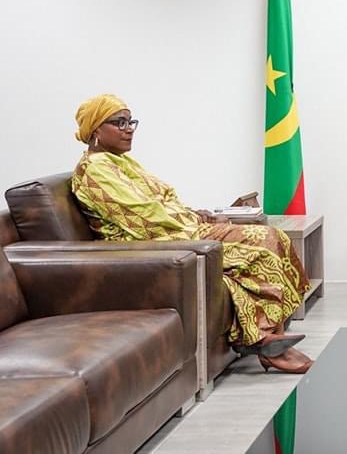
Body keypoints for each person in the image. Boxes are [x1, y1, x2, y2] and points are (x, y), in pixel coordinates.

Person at [70, 94, 312, 374]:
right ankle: (269, 344)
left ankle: (270, 336)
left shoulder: (119, 161)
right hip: (151, 242)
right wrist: (194, 222)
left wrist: (196, 213)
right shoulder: (95, 169)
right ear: (96, 129)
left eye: (131, 122)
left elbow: (162, 201)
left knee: (272, 237)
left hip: (177, 228)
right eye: (119, 122)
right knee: (261, 250)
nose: (129, 129)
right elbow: (142, 216)